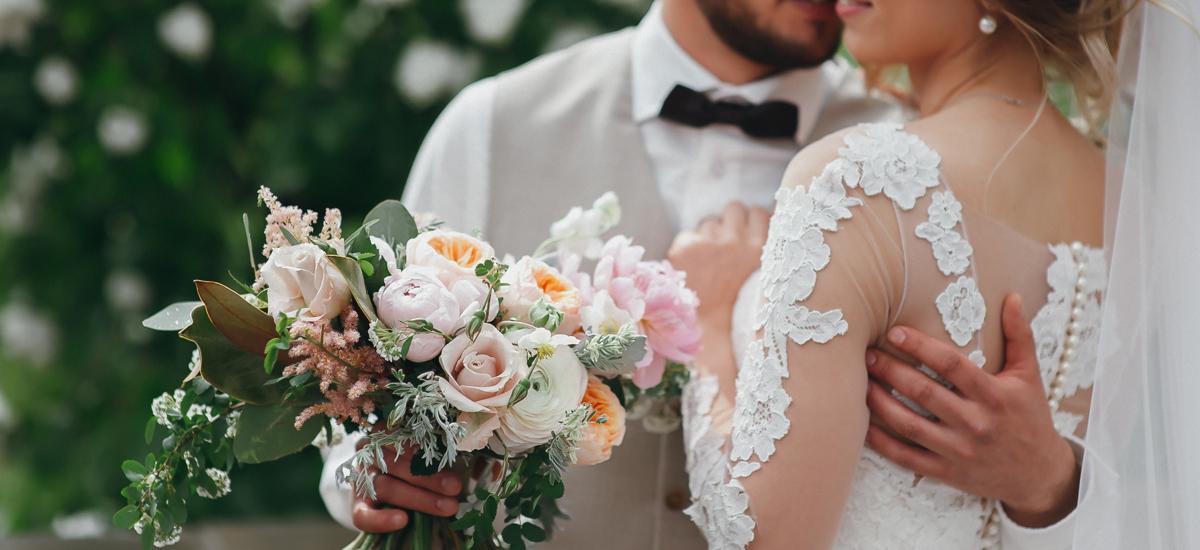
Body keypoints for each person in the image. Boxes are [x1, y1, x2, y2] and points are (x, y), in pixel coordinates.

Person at [319, 0, 1082, 547]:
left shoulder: (906, 158)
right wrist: (366, 471)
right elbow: (365, 397)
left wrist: (1052, 482)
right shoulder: (491, 126)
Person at [667, 0, 1124, 547]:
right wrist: (1055, 484)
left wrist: (706, 326)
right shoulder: (1140, 208)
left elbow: (761, 538)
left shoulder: (857, 182)